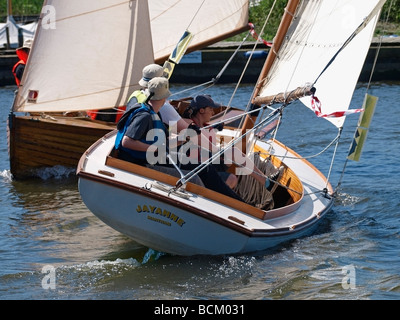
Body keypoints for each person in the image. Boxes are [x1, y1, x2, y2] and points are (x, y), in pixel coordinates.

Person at [115, 77, 244, 202]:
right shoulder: (144, 115)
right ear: (164, 97)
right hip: (145, 162)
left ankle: (233, 201)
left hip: (154, 156)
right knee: (202, 171)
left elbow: (160, 143)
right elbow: (126, 142)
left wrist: (185, 137)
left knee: (204, 167)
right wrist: (156, 149)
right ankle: (236, 204)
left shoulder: (154, 112)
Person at [184, 94, 283, 192]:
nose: (213, 112)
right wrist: (218, 149)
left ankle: (267, 183)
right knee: (231, 179)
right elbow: (198, 138)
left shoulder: (204, 126)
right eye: (210, 109)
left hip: (209, 164)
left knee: (234, 152)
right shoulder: (187, 124)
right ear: (201, 110)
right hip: (197, 169)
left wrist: (214, 128)